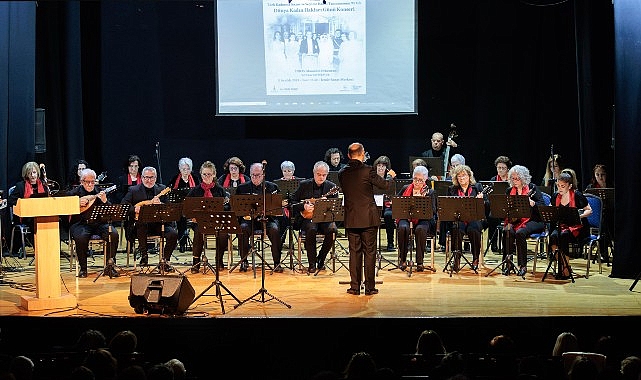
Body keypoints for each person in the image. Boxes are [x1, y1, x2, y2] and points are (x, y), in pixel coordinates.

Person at [339, 142, 395, 295]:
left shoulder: (342, 173)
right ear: (362, 154)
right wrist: (390, 177)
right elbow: (384, 185)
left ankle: (355, 287)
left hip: (351, 218)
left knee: (354, 253)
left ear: (349, 155)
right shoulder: (368, 170)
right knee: (369, 252)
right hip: (369, 219)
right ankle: (370, 288)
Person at [121, 166, 178, 271]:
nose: (149, 180)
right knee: (141, 225)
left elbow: (170, 208)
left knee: (173, 234)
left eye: (152, 177)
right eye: (146, 177)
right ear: (142, 178)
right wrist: (134, 209)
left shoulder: (161, 189)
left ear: (155, 178)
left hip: (158, 224)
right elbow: (124, 206)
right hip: (140, 226)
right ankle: (144, 257)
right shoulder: (134, 190)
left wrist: (161, 204)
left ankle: (164, 261)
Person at [66, 169, 120, 278]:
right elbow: (64, 208)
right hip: (81, 224)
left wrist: (105, 201)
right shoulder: (74, 193)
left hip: (99, 224)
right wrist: (75, 203)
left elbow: (111, 212)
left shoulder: (100, 192)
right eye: (87, 182)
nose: (90, 184)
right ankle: (83, 268)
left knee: (113, 234)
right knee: (80, 237)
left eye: (92, 181)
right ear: (81, 181)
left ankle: (109, 266)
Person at [235, 163, 284, 272]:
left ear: (263, 175)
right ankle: (244, 261)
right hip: (249, 220)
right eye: (253, 175)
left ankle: (276, 262)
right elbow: (237, 208)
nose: (255, 178)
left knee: (275, 230)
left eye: (258, 175)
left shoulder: (272, 187)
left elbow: (278, 208)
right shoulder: (242, 188)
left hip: (267, 219)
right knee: (242, 229)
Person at [291, 161, 339, 274]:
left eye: (324, 175)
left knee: (333, 230)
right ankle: (312, 262)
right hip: (308, 218)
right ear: (314, 173)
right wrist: (304, 206)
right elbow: (292, 202)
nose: (321, 177)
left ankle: (321, 258)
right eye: (318, 174)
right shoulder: (304, 185)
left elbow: (335, 208)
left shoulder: (331, 187)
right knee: (311, 229)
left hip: (324, 219)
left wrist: (327, 205)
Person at [185, 161, 230, 273]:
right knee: (199, 231)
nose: (206, 177)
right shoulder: (195, 190)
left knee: (224, 234)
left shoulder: (219, 190)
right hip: (200, 222)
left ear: (214, 175)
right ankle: (196, 262)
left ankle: (218, 259)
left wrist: (222, 210)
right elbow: (187, 207)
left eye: (209, 174)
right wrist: (193, 216)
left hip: (216, 221)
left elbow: (228, 206)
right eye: (204, 174)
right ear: (201, 175)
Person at [501, 165, 546, 276]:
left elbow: (542, 207)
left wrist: (533, 204)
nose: (515, 181)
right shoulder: (509, 190)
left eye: (517, 178)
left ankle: (523, 265)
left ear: (523, 178)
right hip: (515, 220)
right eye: (513, 178)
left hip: (534, 220)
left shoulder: (533, 188)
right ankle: (508, 263)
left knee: (520, 233)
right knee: (507, 231)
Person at [548, 171, 592, 279]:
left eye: (563, 186)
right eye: (558, 185)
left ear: (570, 186)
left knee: (563, 236)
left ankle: (565, 269)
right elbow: (550, 209)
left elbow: (589, 210)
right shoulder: (555, 196)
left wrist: (578, 216)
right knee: (553, 237)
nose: (560, 188)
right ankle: (564, 265)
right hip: (561, 226)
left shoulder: (577, 195)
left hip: (577, 227)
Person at [395, 165, 437, 272]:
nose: (417, 182)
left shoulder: (430, 192)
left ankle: (420, 262)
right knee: (403, 228)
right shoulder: (406, 188)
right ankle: (403, 259)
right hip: (406, 217)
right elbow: (397, 203)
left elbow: (433, 211)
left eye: (420, 180)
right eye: (415, 179)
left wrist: (424, 201)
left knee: (420, 229)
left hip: (423, 219)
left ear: (425, 179)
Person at [447, 164, 488, 271]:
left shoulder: (477, 187)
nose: (461, 178)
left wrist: (481, 200)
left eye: (464, 175)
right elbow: (448, 206)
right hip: (459, 219)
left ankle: (475, 258)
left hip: (474, 218)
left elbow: (487, 205)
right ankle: (457, 259)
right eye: (459, 176)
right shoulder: (452, 189)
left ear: (469, 176)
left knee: (474, 228)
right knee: (457, 228)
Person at [7, 162, 50, 256]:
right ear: (26, 174)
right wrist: (23, 203)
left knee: (52, 220)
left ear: (38, 173)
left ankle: (50, 249)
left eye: (34, 172)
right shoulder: (20, 186)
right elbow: (11, 201)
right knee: (35, 221)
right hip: (26, 217)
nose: (32, 175)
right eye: (30, 173)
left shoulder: (44, 185)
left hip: (42, 214)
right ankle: (40, 251)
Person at [166, 157, 200, 253]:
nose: (186, 171)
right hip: (179, 207)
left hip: (192, 207)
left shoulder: (195, 178)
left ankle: (197, 243)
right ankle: (182, 244)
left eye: (188, 169)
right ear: (180, 169)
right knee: (181, 218)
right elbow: (168, 191)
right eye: (183, 169)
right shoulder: (175, 178)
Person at [487, 156, 512, 252]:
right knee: (491, 216)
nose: (500, 170)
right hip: (498, 207)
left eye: (503, 168)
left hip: (509, 207)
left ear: (508, 169)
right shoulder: (493, 179)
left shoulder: (512, 180)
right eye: (499, 168)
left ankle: (509, 245)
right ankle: (493, 243)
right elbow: (489, 195)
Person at [373, 155, 396, 251]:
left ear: (386, 168)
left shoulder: (390, 179)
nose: (380, 168)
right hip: (374, 204)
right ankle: (371, 243)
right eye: (379, 166)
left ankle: (390, 242)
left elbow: (393, 194)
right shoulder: (372, 178)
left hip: (387, 204)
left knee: (388, 215)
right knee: (371, 214)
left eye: (383, 166)